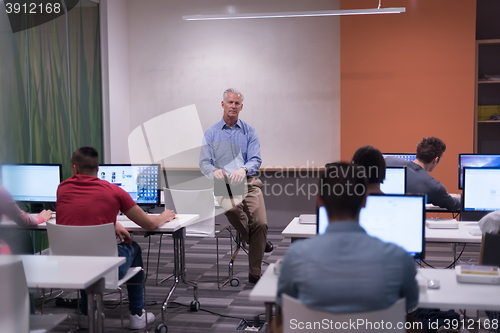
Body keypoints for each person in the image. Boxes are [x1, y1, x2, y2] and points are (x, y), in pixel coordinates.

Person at [56, 146, 175, 329]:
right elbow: (149, 224)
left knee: (79, 250)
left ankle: (90, 313)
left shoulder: (62, 189)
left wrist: (112, 223)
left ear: (74, 169)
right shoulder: (114, 191)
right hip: (106, 270)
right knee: (133, 247)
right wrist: (164, 216)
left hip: (69, 267)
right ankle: (136, 314)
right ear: (98, 169)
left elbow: (81, 216)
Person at [277, 162, 418, 313]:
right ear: (365, 200)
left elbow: (284, 302)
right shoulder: (399, 257)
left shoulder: (296, 256)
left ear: (319, 200)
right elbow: (411, 303)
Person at [199, 88, 272, 284]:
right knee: (231, 209)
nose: (233, 106)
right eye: (230, 102)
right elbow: (204, 162)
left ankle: (254, 273)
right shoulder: (212, 133)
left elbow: (256, 158)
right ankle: (256, 240)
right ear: (223, 104)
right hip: (224, 184)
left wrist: (244, 169)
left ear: (241, 107)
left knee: (261, 224)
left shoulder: (249, 131)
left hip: (248, 182)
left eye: (237, 103)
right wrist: (213, 171)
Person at [385, 137, 460, 211]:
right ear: (436, 159)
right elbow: (453, 205)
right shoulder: (433, 186)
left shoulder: (388, 160)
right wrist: (460, 198)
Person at [0, 185, 52, 254]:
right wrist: (42, 217)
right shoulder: (2, 192)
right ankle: (29, 264)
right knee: (24, 238)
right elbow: (24, 221)